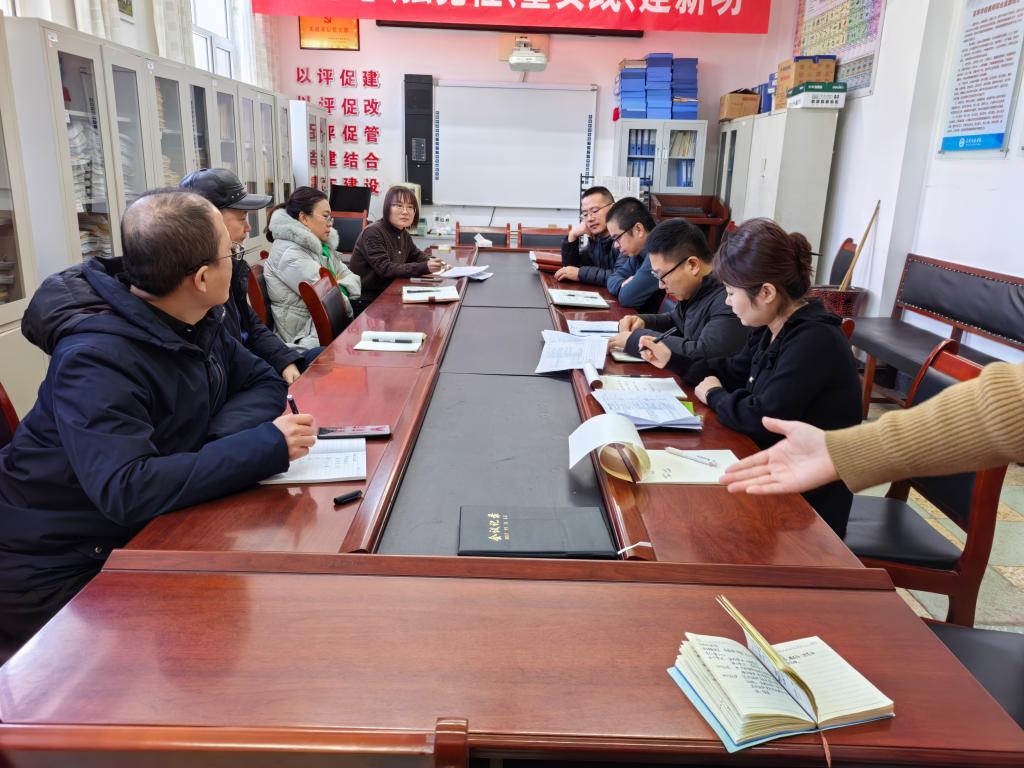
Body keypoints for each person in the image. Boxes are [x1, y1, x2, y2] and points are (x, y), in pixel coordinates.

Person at [0, 190, 318, 661]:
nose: (238, 259)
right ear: (202, 278)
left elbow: (261, 381)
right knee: (214, 649)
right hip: (58, 563)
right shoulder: (96, 359)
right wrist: (263, 446)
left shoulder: (195, 317)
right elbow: (127, 488)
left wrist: (209, 447)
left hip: (142, 529)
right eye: (230, 255)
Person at [641, 218, 862, 536]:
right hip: (768, 471)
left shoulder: (813, 340)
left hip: (805, 507)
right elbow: (732, 370)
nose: (727, 301)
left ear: (767, 292)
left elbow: (762, 417)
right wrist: (673, 359)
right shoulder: (771, 326)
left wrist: (715, 395)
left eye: (731, 292)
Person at [720, 362, 1024, 495]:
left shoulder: (813, 339)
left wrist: (843, 451)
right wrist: (842, 450)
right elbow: (1006, 404)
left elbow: (1005, 407)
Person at [180, 168, 307, 382]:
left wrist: (285, 360)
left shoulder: (230, 265)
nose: (248, 228)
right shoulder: (201, 285)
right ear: (209, 221)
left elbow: (252, 325)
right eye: (242, 218)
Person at [612, 218, 748, 367]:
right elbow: (676, 321)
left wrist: (637, 339)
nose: (660, 285)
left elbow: (706, 354)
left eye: (662, 276)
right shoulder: (697, 287)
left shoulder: (729, 299)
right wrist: (644, 321)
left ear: (692, 265)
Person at [264, 186, 362, 349]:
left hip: (325, 330)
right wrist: (337, 286)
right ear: (304, 218)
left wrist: (336, 287)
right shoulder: (291, 254)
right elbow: (332, 301)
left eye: (331, 217)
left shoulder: (321, 246)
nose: (330, 223)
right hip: (305, 342)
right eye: (325, 216)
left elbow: (352, 278)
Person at [348, 185, 445, 304]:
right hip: (367, 300)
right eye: (399, 206)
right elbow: (385, 269)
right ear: (387, 208)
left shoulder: (403, 233)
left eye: (410, 207)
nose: (405, 212)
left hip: (390, 292)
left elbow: (416, 255)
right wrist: (424, 267)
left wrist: (438, 263)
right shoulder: (373, 232)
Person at [604, 197, 662, 312]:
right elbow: (612, 278)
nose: (616, 245)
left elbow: (627, 298)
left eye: (617, 238)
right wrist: (622, 284)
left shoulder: (659, 251)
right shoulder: (638, 253)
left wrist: (626, 288)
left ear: (638, 229)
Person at [554, 186, 617, 286]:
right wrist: (572, 236)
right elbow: (570, 271)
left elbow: (619, 276)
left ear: (613, 208)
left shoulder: (624, 238)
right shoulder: (596, 239)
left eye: (595, 211)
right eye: (585, 214)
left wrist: (580, 273)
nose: (590, 218)